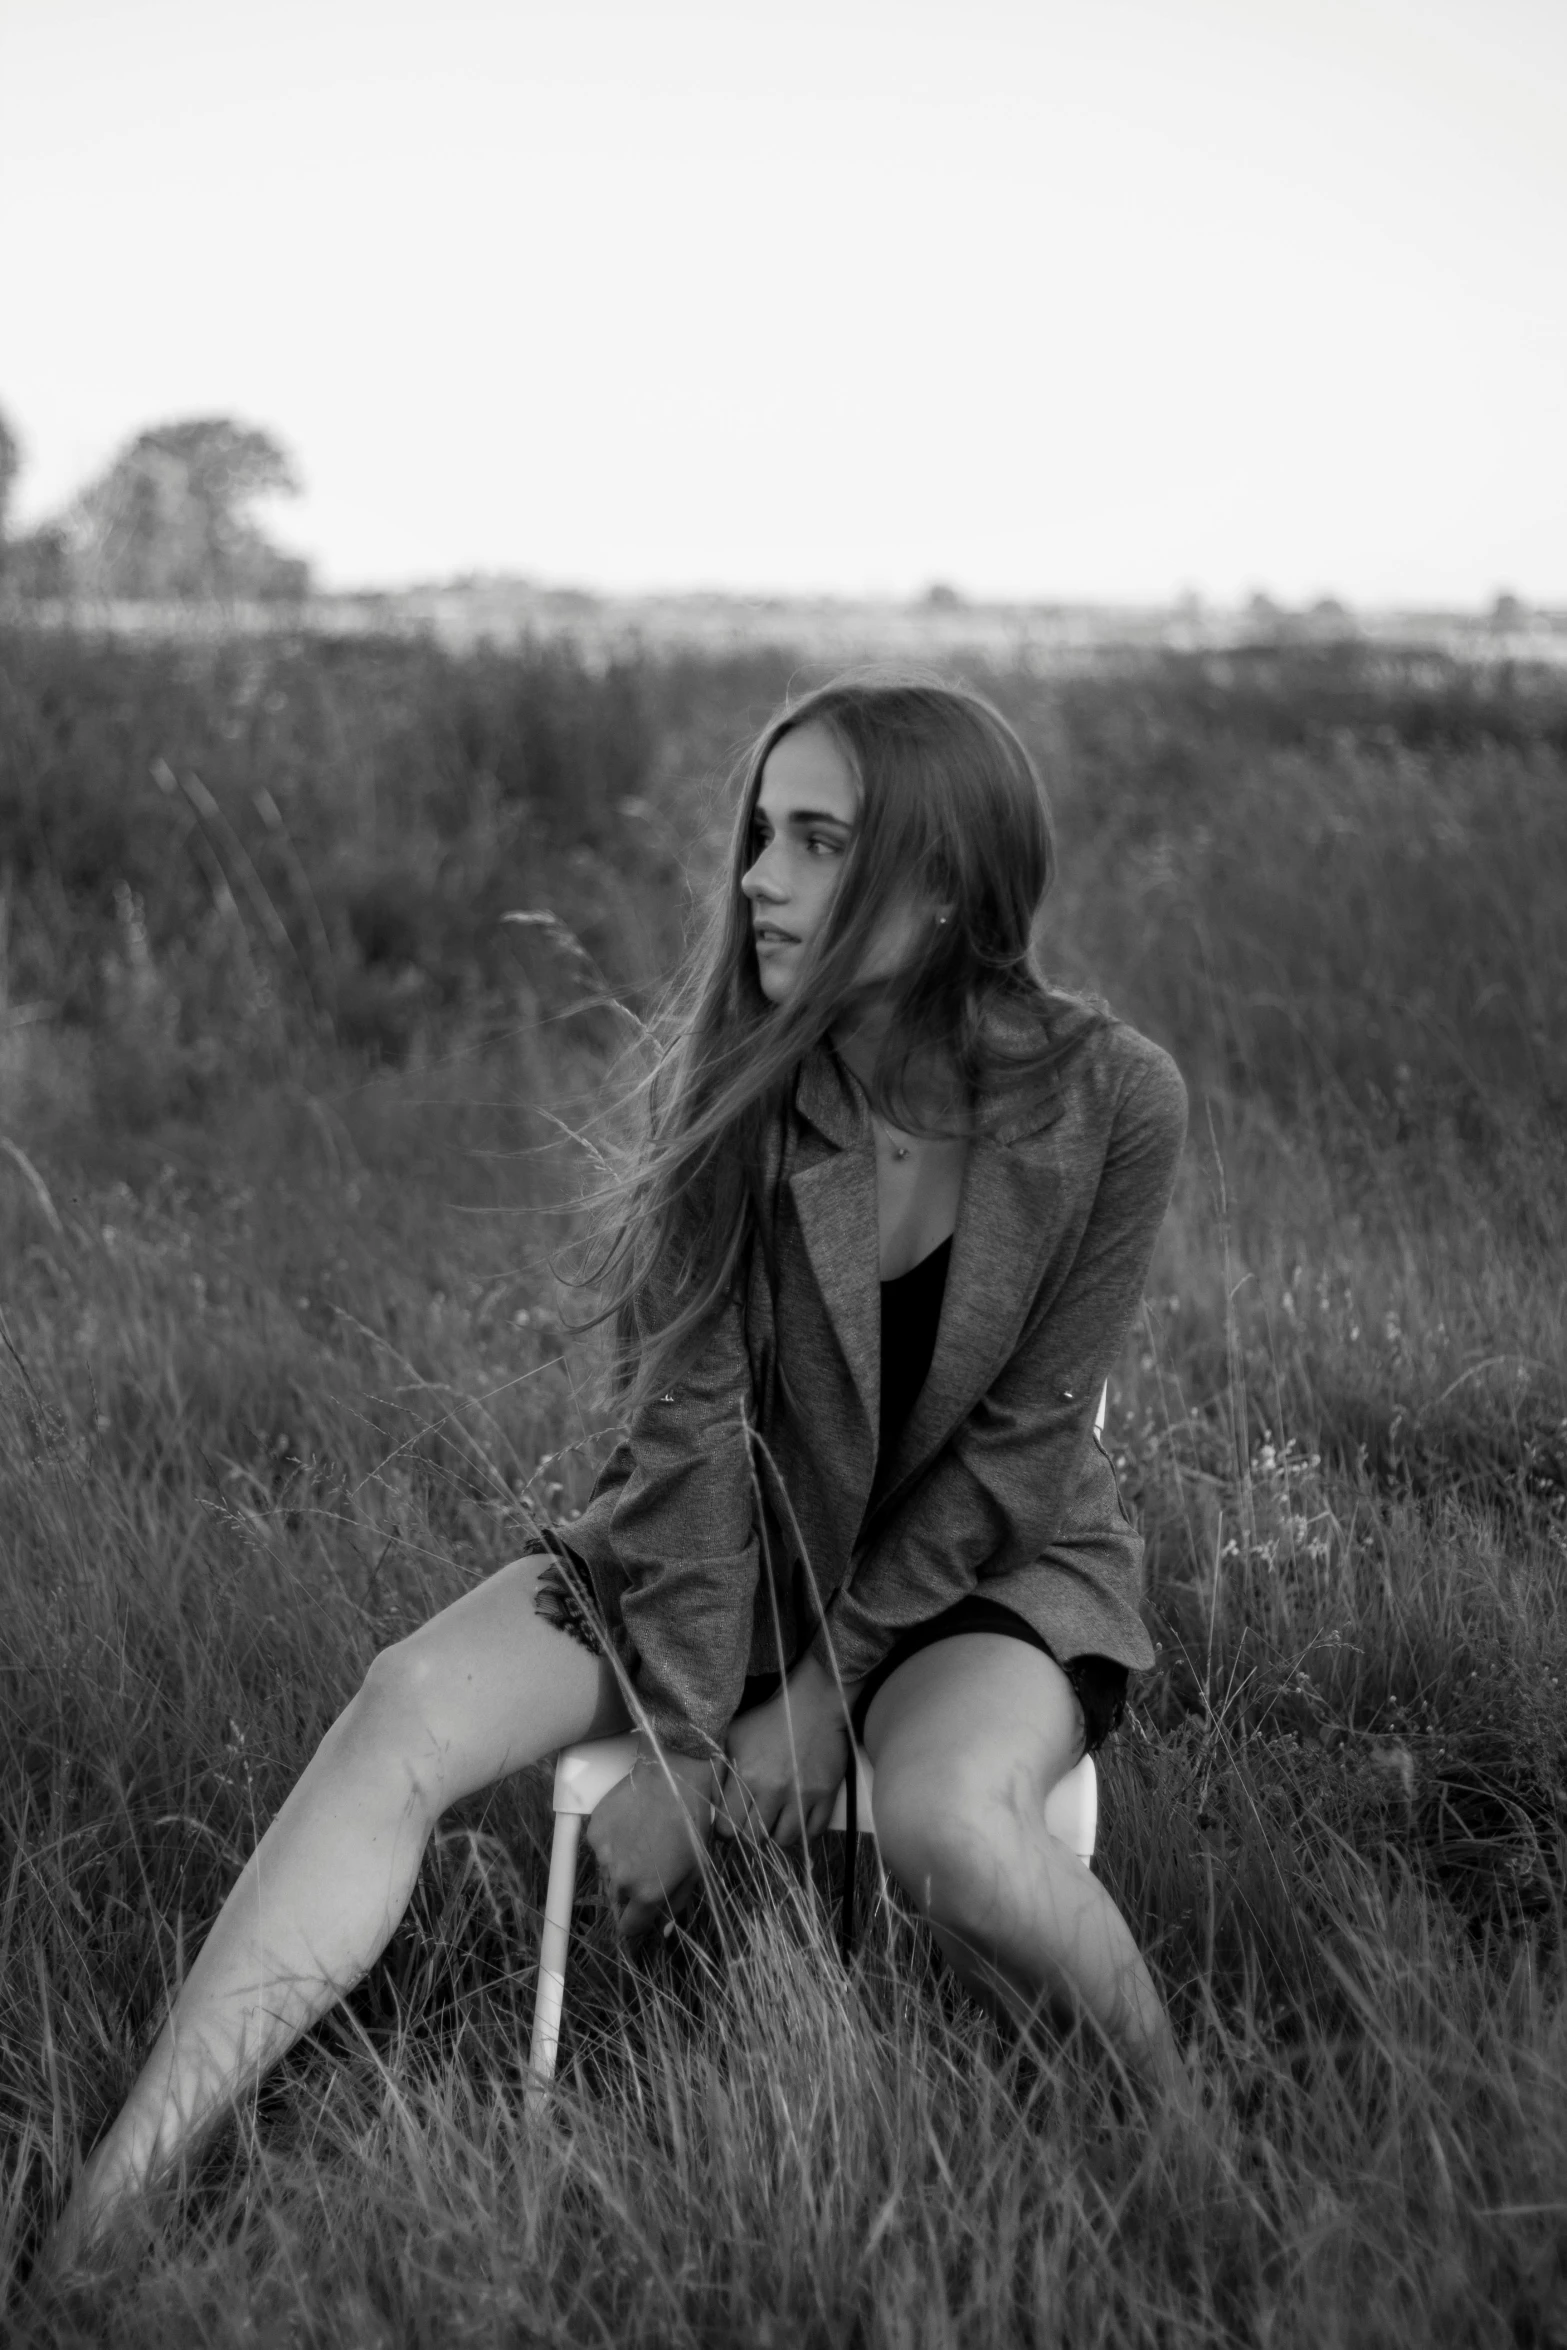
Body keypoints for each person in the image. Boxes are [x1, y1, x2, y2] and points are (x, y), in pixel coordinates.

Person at [55, 674, 1190, 2261]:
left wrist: (808, 1703)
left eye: (815, 841)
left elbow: (1015, 1452)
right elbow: (683, 1435)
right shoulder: (738, 1083)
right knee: (404, 1703)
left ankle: (1185, 2135)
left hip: (984, 1568)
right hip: (716, 1543)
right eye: (759, 834)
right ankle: (115, 2196)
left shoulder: (1112, 1099)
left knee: (943, 1816)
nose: (756, 880)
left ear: (937, 887)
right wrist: (679, 1740)